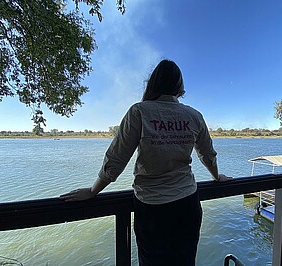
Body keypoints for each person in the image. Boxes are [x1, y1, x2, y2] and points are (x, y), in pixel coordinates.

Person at [60, 59, 233, 266]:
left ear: (153, 83)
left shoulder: (139, 112)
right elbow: (208, 155)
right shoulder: (194, 116)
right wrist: (216, 177)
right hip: (188, 203)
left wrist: (93, 191)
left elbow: (116, 159)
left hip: (152, 208)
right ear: (179, 86)